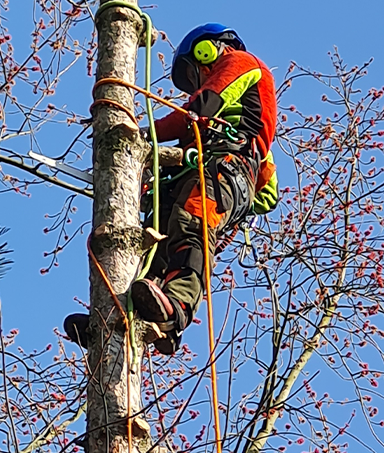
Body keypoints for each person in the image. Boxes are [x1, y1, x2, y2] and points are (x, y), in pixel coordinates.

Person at [64, 23, 279, 354]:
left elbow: (206, 104)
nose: (196, 84)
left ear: (207, 50)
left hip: (221, 169)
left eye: (194, 75)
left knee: (189, 228)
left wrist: (143, 131)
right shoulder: (254, 142)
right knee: (153, 243)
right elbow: (268, 196)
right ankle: (116, 316)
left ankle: (176, 308)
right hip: (200, 172)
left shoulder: (242, 63)